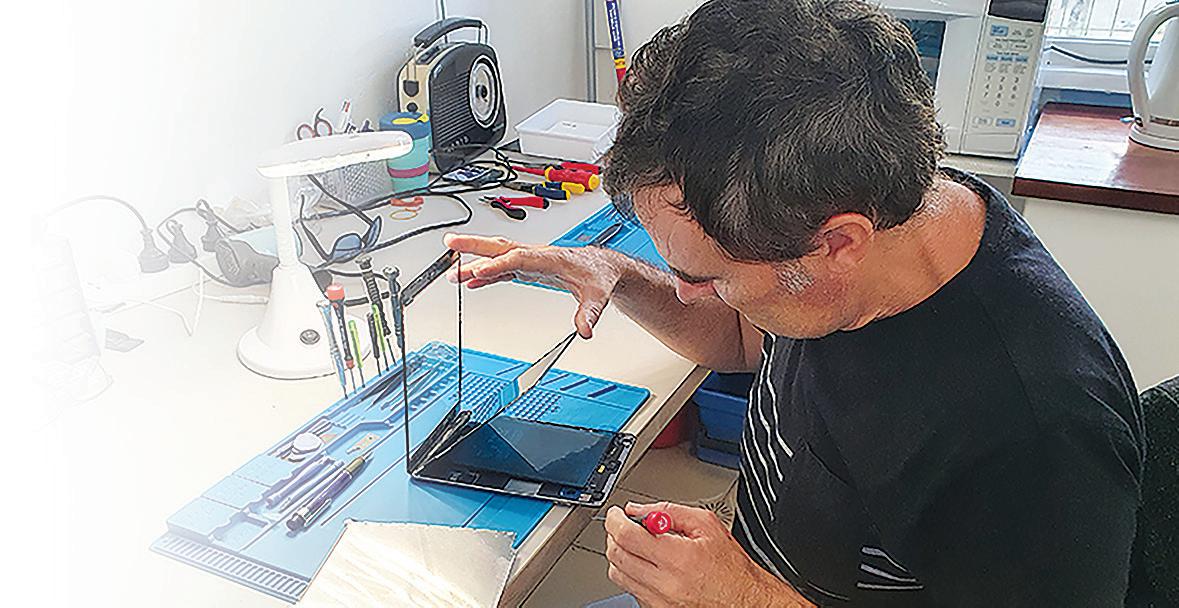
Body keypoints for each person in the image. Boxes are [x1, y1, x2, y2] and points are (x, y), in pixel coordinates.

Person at [447, 0, 1145, 605]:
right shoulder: (872, 213)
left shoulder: (1034, 434)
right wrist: (617, 273)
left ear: (837, 244)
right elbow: (740, 339)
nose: (690, 291)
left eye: (708, 276)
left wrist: (744, 599)